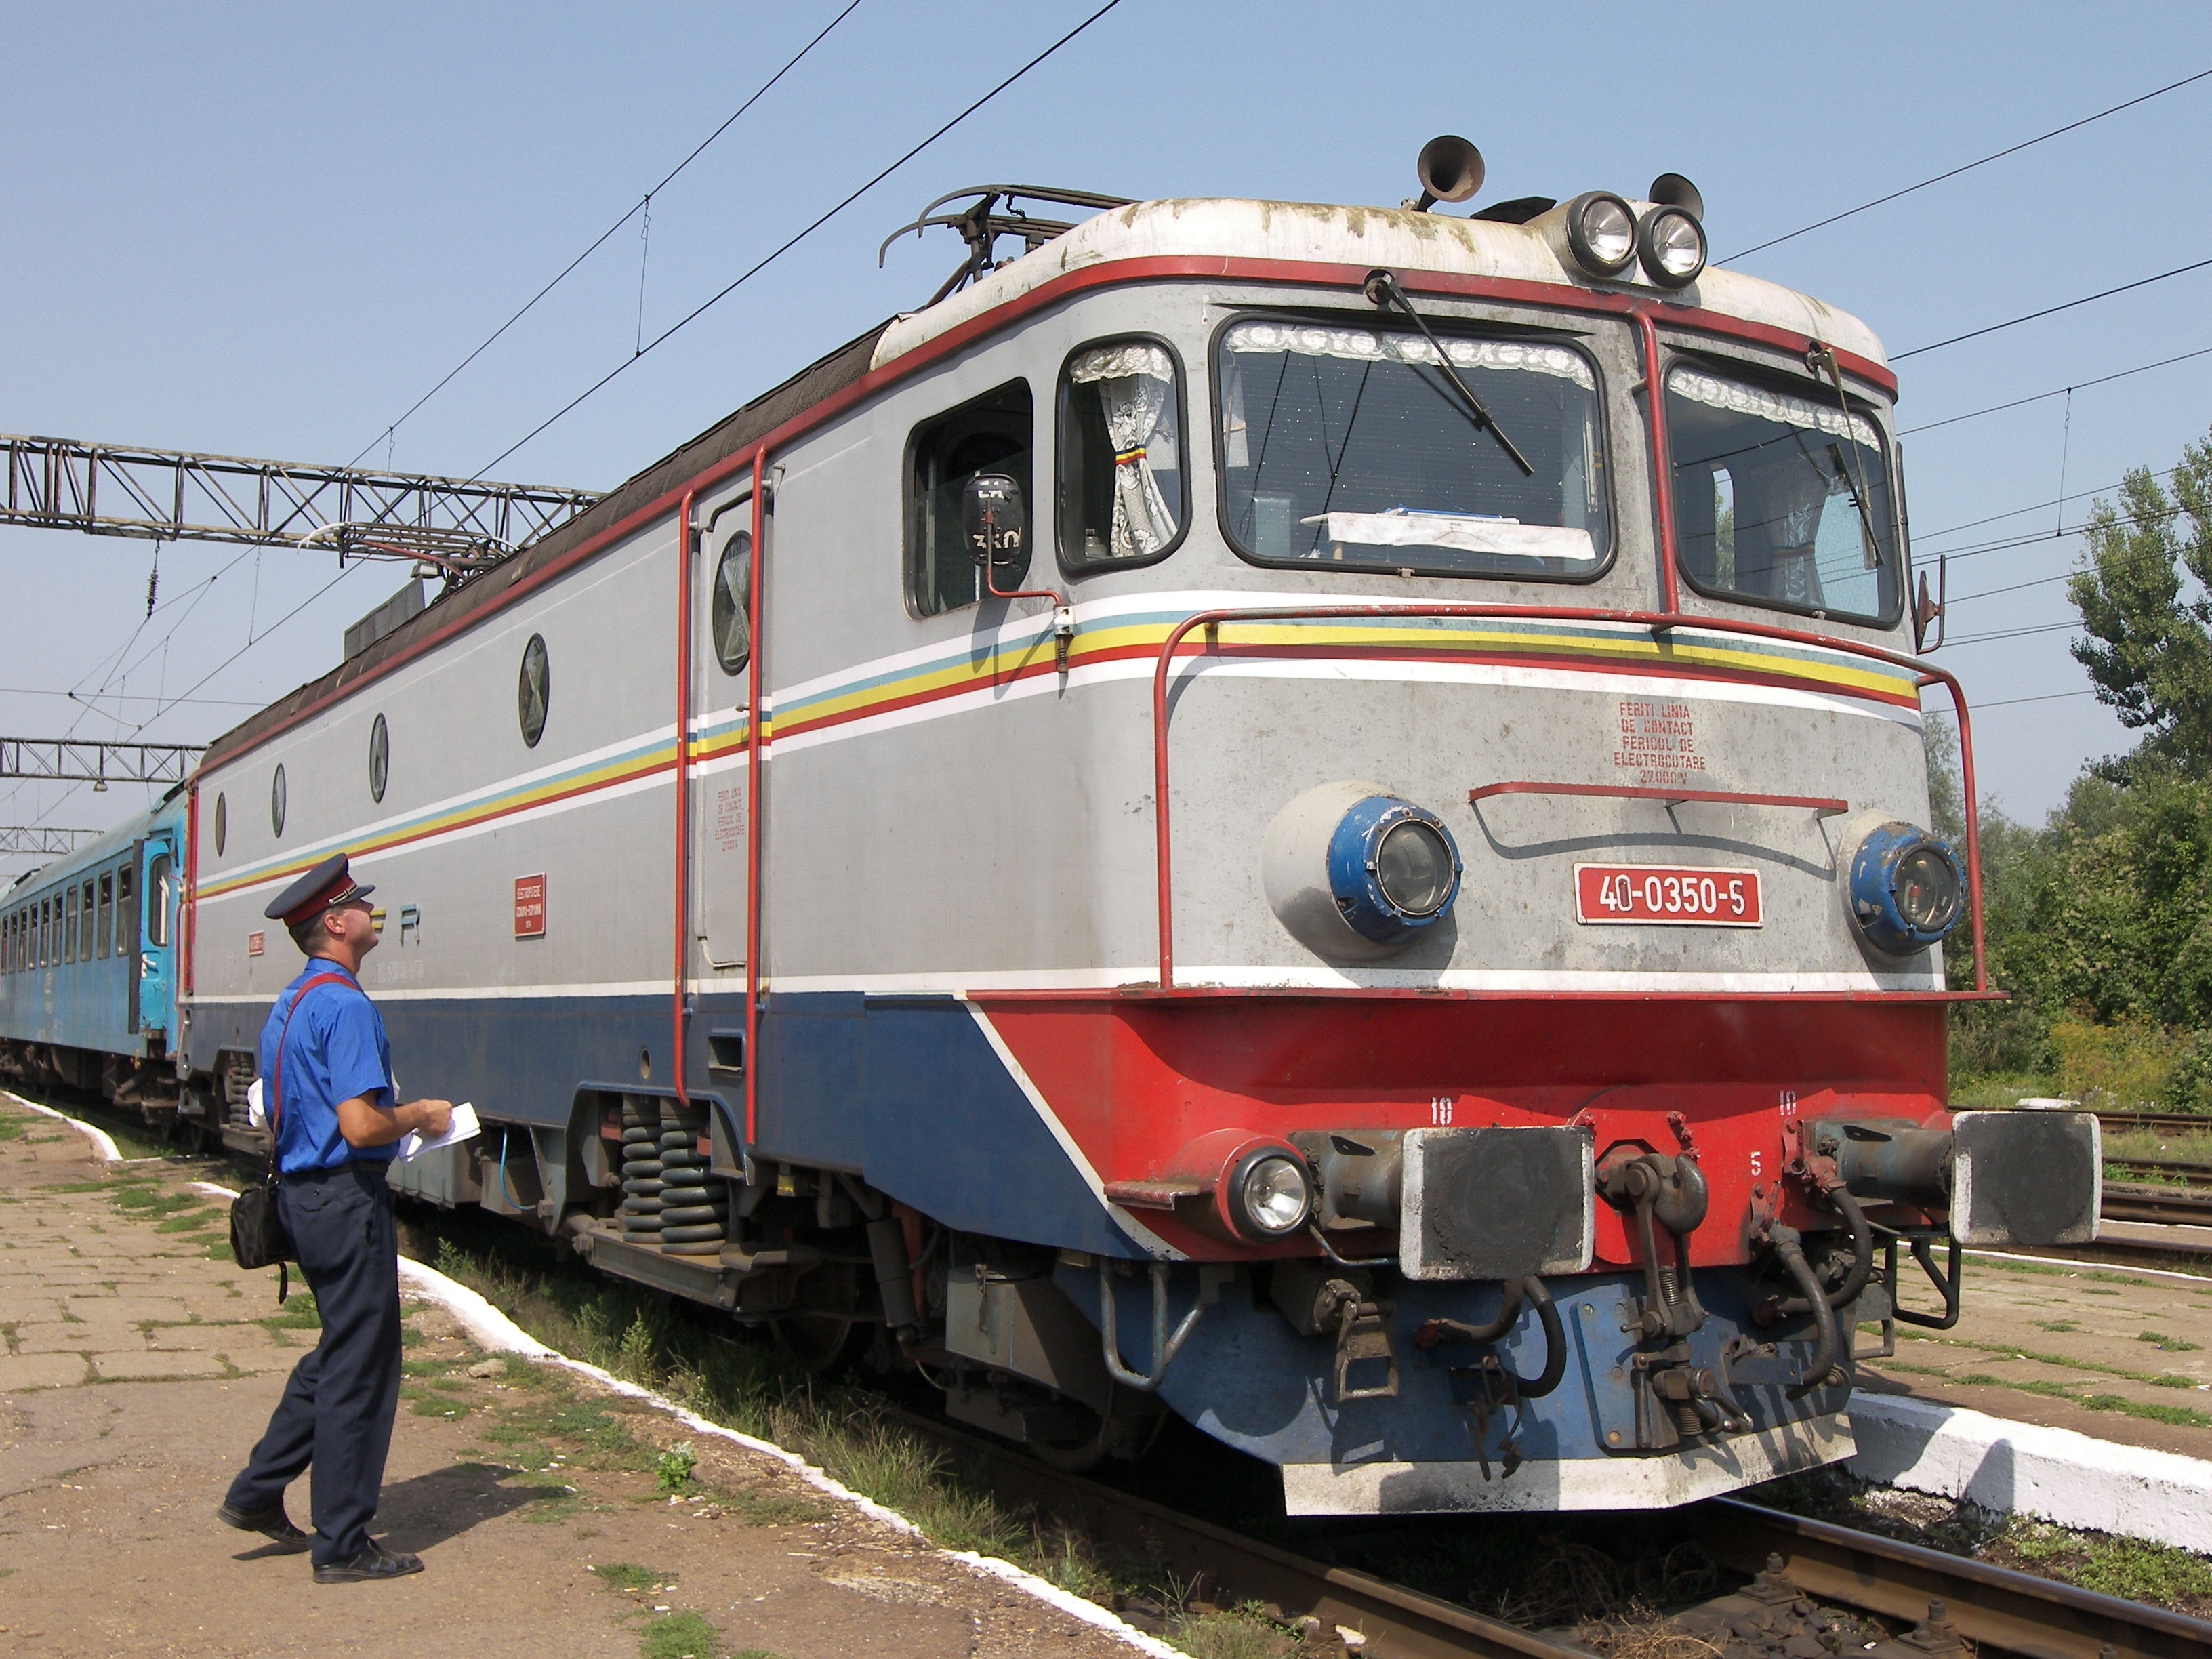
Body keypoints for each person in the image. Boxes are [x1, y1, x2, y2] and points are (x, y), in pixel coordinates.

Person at [216, 852, 453, 1583]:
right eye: (361, 907)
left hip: (302, 1198)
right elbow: (359, 1124)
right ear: (338, 923)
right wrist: (421, 1115)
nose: (372, 914)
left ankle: (257, 1493)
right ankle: (343, 1545)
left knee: (340, 1351)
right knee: (363, 1370)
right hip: (346, 1201)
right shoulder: (347, 1005)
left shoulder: (291, 1003)